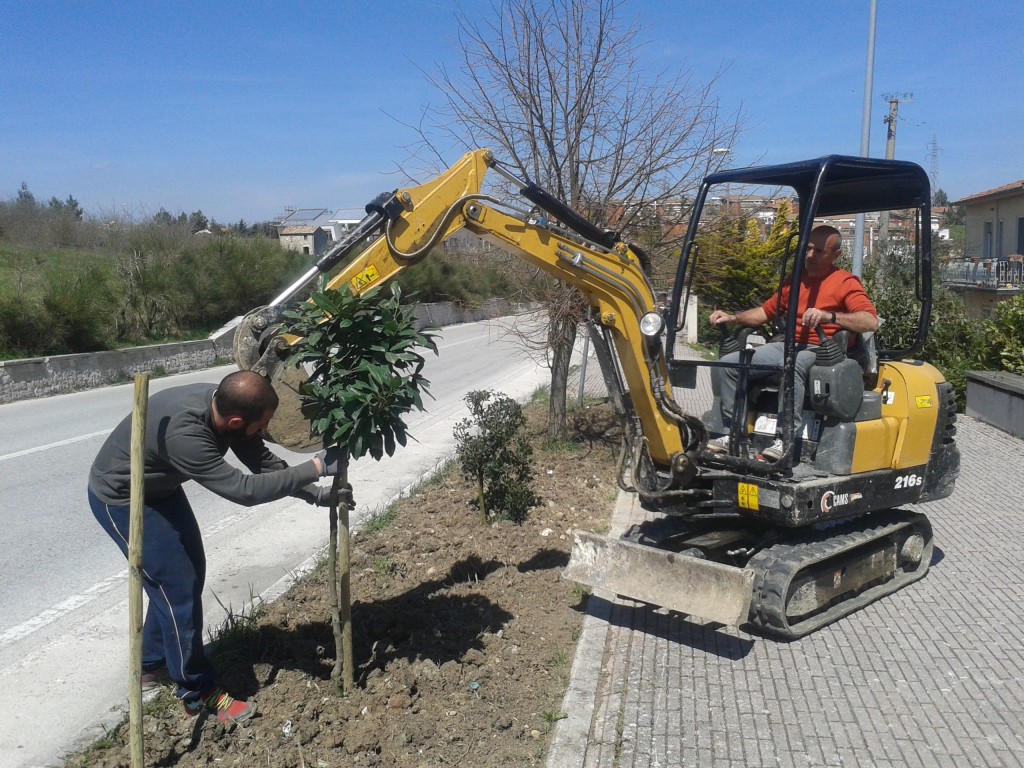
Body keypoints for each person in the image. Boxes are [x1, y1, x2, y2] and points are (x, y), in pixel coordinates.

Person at [88, 370, 345, 723]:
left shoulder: (226, 406)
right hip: (123, 498)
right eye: (261, 426)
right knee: (177, 588)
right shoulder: (186, 433)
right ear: (237, 420)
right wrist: (315, 467)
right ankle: (198, 692)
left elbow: (262, 463)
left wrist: (315, 495)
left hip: (161, 490)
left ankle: (152, 664)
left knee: (188, 575)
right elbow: (244, 491)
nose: (262, 432)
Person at [707, 225, 878, 460]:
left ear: (835, 256)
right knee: (729, 364)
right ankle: (732, 434)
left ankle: (784, 439)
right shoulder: (794, 282)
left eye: (819, 251)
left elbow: (870, 321)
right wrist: (732, 318)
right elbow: (764, 312)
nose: (810, 256)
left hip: (823, 349)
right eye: (808, 249)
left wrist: (830, 316)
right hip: (787, 344)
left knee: (792, 365)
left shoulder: (845, 282)